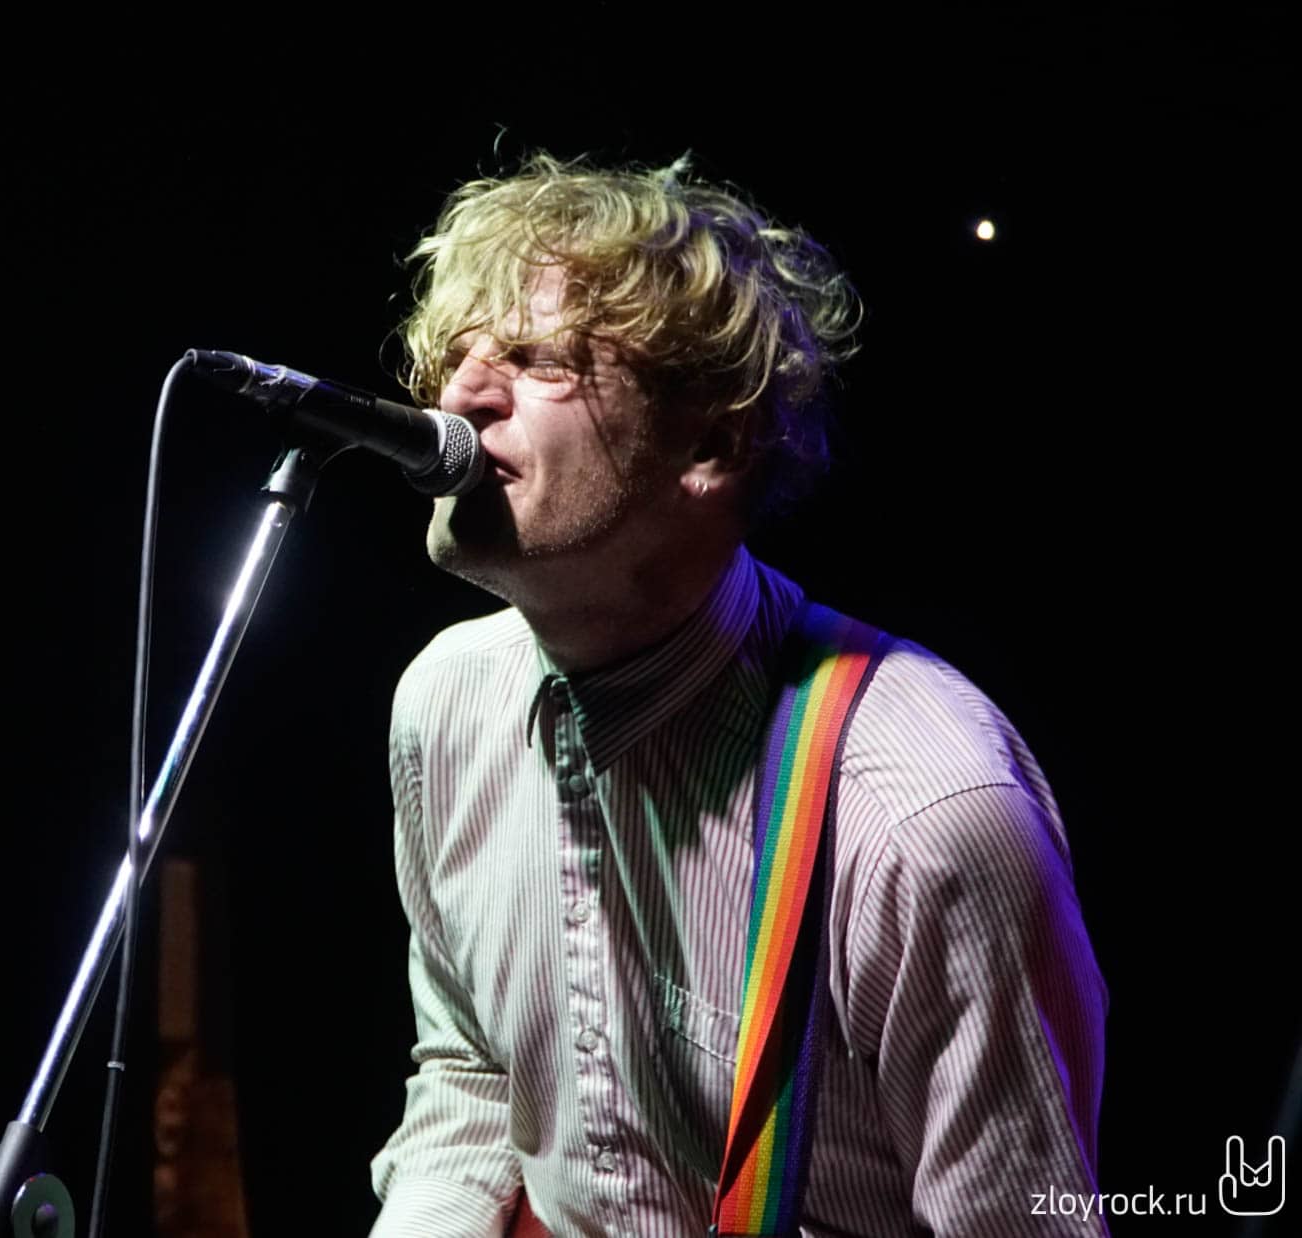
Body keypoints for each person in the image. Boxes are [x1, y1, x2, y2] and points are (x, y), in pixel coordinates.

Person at [367, 155, 1107, 1236]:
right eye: (457, 356)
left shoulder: (925, 814)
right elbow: (473, 1078)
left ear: (710, 443)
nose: (461, 397)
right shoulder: (444, 708)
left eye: (535, 359)